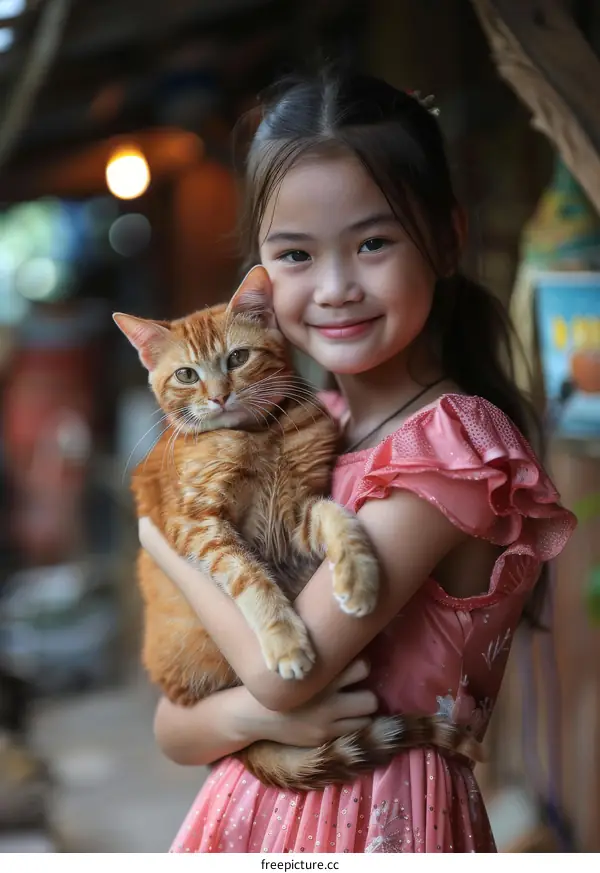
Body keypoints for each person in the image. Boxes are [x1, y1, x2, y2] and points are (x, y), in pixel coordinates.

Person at [139, 68, 576, 853]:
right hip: (251, 813)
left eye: (373, 242)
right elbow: (172, 729)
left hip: (379, 823)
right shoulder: (318, 427)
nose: (336, 286)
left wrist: (162, 540)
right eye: (295, 254)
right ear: (259, 277)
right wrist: (251, 718)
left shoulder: (447, 453)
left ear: (447, 238)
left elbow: (285, 673)